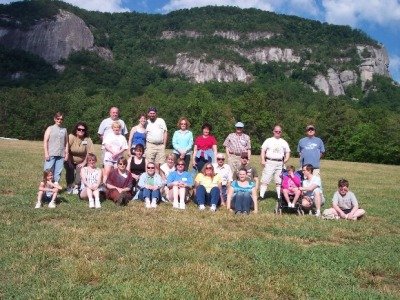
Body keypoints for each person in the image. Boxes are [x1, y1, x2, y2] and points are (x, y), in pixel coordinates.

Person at [259, 125, 290, 199]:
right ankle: (261, 196)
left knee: (279, 181)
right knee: (265, 180)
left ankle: (279, 197)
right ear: (273, 131)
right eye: (276, 131)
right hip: (270, 162)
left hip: (280, 163)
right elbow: (263, 150)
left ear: (281, 132)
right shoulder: (268, 140)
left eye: (279, 131)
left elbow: (288, 152)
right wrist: (263, 160)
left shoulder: (283, 142)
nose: (278, 133)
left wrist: (285, 160)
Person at [64, 122, 94, 194]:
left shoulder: (87, 139)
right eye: (79, 129)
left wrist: (84, 163)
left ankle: (77, 186)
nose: (81, 131)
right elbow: (66, 148)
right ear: (76, 130)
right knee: (70, 168)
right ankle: (69, 185)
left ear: (85, 131)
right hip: (70, 159)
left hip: (82, 160)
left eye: (83, 130)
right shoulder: (71, 137)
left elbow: (89, 153)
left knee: (79, 169)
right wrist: (68, 159)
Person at [43, 112, 68, 189]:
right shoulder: (50, 128)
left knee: (58, 172)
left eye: (61, 119)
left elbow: (66, 142)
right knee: (48, 171)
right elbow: (45, 141)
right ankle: (45, 188)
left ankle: (54, 189)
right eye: (58, 118)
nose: (59, 120)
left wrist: (66, 154)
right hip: (51, 154)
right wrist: (46, 153)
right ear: (54, 119)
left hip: (61, 155)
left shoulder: (64, 130)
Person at [145, 107, 168, 174]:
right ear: (148, 114)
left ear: (156, 114)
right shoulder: (146, 122)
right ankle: (148, 180)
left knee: (162, 165)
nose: (152, 115)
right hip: (150, 145)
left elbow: (165, 132)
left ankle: (161, 181)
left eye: (153, 113)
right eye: (150, 113)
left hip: (160, 146)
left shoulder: (161, 120)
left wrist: (164, 145)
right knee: (149, 164)